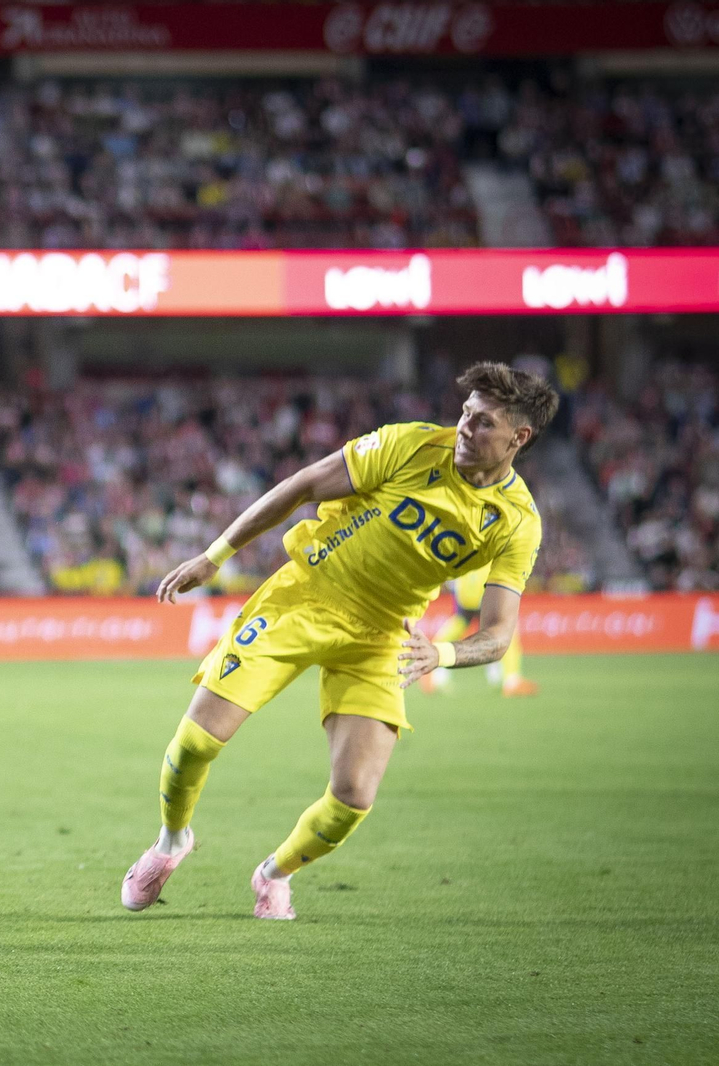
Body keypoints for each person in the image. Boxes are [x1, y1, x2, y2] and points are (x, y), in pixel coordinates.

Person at [122, 362, 557, 920]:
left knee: (353, 796)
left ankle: (275, 873)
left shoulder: (517, 522)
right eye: (466, 413)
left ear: (519, 437)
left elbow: (498, 634)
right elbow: (304, 485)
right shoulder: (410, 445)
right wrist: (215, 555)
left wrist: (441, 653)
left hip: (382, 635)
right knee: (196, 743)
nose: (465, 428)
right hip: (306, 596)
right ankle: (170, 843)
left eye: (484, 422)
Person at [419, 564, 537, 697]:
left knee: (457, 627)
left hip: (466, 592)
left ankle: (431, 669)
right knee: (505, 630)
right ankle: (510, 680)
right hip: (483, 589)